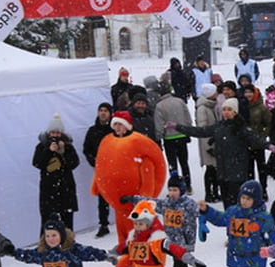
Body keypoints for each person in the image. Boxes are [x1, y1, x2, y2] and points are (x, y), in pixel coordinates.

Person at [168, 98, 267, 207]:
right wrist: (178, 127)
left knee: (237, 205)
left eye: (229, 109)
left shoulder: (241, 128)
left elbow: (256, 139)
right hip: (222, 172)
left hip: (237, 173)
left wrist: (269, 145)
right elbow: (200, 131)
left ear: (235, 112)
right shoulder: (219, 126)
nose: (226, 112)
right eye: (224, 109)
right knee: (227, 204)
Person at [91, 111, 167, 251]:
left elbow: (149, 168)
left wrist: (144, 197)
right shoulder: (106, 141)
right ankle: (125, 250)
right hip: (117, 201)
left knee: (138, 228)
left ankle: (140, 254)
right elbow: (100, 164)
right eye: (116, 124)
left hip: (134, 200)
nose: (118, 127)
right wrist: (96, 184)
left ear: (127, 126)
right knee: (123, 229)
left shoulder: (139, 141)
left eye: (120, 124)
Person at [125, 175, 201, 267]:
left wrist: (189, 242)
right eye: (170, 190)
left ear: (181, 190)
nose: (172, 193)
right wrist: (134, 199)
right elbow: (150, 202)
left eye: (175, 190)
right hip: (170, 242)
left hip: (183, 242)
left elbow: (196, 218)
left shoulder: (188, 205)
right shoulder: (167, 204)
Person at [32, 114, 81, 234]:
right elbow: (37, 163)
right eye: (53, 132)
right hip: (49, 191)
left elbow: (74, 163)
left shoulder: (68, 146)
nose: (55, 135)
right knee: (47, 221)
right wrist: (49, 152)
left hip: (66, 189)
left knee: (67, 223)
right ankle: (45, 247)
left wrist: (62, 153)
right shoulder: (41, 146)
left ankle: (68, 246)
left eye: (58, 133)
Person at [154, 80, 194, 195]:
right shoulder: (180, 101)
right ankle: (188, 185)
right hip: (182, 135)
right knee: (184, 162)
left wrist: (159, 136)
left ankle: (175, 186)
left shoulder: (159, 106)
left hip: (169, 138)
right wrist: (188, 130)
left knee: (173, 164)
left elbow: (159, 123)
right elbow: (187, 117)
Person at [82, 104, 115, 236]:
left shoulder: (114, 129)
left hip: (117, 167)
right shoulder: (92, 131)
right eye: (100, 111)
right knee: (102, 198)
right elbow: (86, 149)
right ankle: (104, 224)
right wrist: (94, 161)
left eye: (105, 111)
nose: (103, 113)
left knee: (122, 196)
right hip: (101, 169)